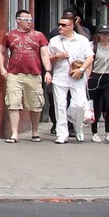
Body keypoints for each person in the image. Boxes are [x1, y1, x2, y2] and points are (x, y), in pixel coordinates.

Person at [0, 7, 48, 143]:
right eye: (26, 20)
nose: (29, 22)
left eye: (30, 20)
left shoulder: (39, 35)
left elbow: (44, 54)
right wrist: (3, 68)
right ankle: (14, 133)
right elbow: (1, 52)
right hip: (14, 74)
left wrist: (47, 71)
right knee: (13, 103)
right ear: (18, 20)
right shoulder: (10, 35)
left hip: (33, 73)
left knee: (35, 104)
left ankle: (35, 132)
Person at [46, 13, 93, 144]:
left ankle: (78, 127)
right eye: (59, 25)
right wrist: (57, 57)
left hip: (77, 76)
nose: (60, 27)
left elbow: (90, 57)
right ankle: (62, 133)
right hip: (60, 76)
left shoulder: (82, 40)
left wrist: (82, 69)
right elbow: (47, 58)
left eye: (64, 25)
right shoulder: (54, 40)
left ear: (72, 26)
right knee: (60, 105)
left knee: (79, 104)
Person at [86, 26, 109, 143]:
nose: (105, 36)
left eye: (107, 33)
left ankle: (108, 132)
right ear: (98, 35)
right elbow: (89, 63)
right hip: (95, 77)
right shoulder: (93, 47)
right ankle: (94, 132)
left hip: (108, 78)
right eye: (103, 33)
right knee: (95, 106)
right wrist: (86, 78)